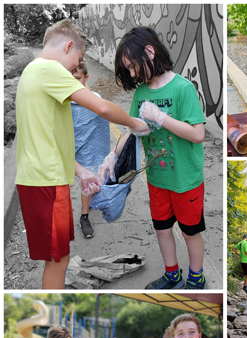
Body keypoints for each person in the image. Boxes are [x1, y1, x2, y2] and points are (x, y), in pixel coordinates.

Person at [15, 19, 149, 289]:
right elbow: (101, 107)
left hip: (40, 179)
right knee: (58, 260)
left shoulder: (32, 72)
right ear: (68, 46)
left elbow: (48, 136)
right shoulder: (49, 70)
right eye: (77, 59)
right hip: (46, 183)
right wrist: (136, 124)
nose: (76, 67)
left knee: (58, 257)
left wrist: (80, 171)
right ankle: (55, 316)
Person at [114, 26, 207, 290]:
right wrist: (112, 156)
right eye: (128, 70)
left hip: (185, 180)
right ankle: (172, 274)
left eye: (133, 67)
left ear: (150, 52)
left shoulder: (183, 88)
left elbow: (197, 134)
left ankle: (196, 277)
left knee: (190, 232)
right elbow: (132, 129)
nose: (132, 74)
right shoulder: (141, 93)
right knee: (162, 229)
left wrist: (162, 118)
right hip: (157, 179)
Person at [71, 60, 127, 238]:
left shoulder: (95, 99)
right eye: (69, 78)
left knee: (95, 175)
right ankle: (84, 216)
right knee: (86, 177)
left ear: (86, 78)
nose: (73, 82)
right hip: (78, 148)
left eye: (77, 78)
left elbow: (103, 120)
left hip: (95, 146)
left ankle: (88, 209)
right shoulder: (64, 103)